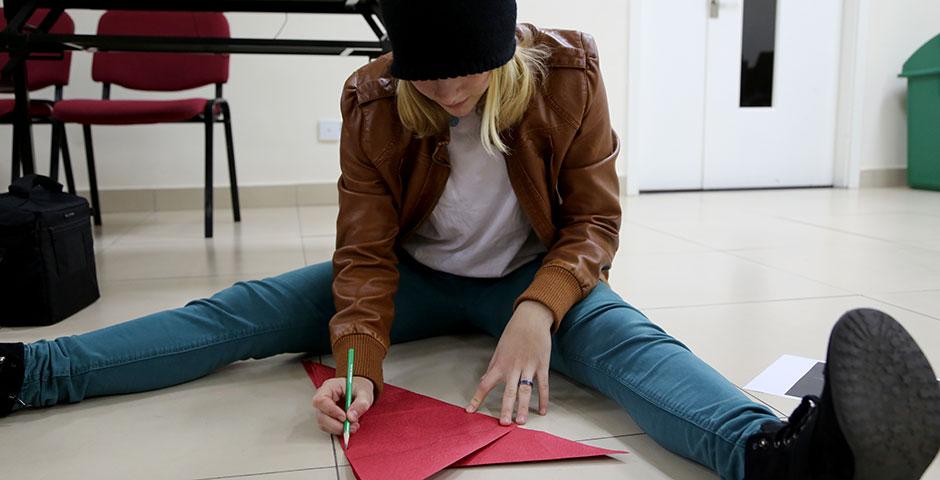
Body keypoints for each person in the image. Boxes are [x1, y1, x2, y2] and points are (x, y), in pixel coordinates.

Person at [2, 1, 938, 478]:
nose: (450, 93)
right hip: (411, 277)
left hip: (532, 275)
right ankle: (31, 374)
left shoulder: (568, 71)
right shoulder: (373, 98)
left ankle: (779, 460)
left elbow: (595, 222)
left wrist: (537, 310)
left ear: (509, 48)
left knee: (631, 345)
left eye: (471, 74)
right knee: (242, 312)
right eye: (430, 78)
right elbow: (364, 255)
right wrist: (358, 361)